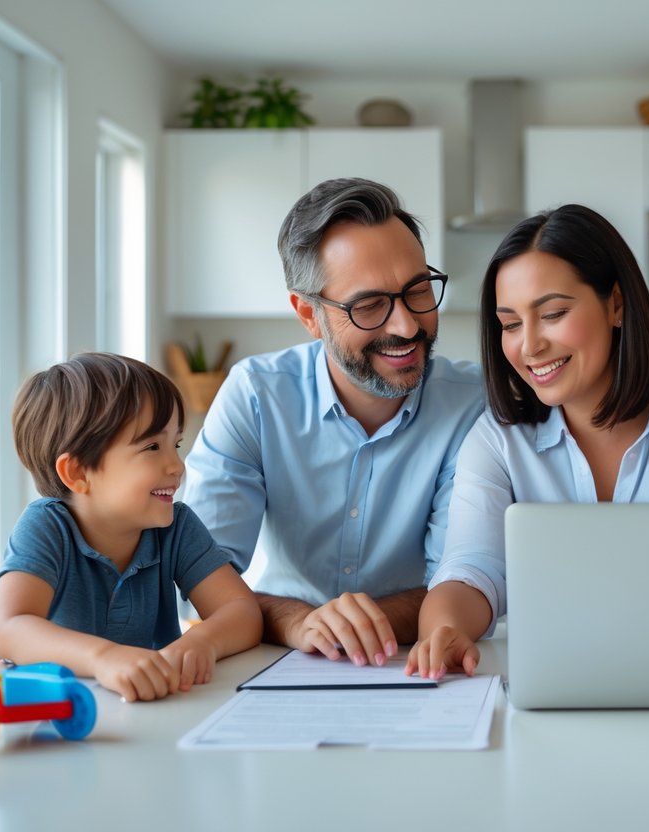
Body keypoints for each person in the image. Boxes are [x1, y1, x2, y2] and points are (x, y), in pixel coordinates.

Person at [407, 204, 649, 679]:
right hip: (554, 681)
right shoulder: (497, 442)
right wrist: (446, 629)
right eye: (510, 324)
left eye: (552, 313)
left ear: (616, 304)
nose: (529, 345)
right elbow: (471, 568)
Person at [182, 178, 485, 668]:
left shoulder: (474, 406)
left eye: (418, 291)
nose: (406, 326)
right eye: (369, 306)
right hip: (271, 661)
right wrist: (296, 621)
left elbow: (469, 576)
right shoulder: (255, 395)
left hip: (418, 664)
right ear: (308, 314)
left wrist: (354, 623)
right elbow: (194, 578)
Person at [0, 353, 262, 702]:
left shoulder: (176, 527)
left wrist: (201, 643)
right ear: (77, 473)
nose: (177, 466)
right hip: (63, 708)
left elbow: (243, 611)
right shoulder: (46, 527)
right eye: (152, 447)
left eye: (175, 444)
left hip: (157, 707)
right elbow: (10, 627)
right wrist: (103, 658)